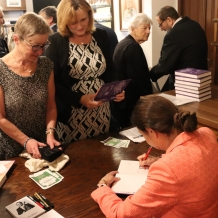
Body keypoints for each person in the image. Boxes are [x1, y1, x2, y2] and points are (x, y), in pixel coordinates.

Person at [91, 95, 218, 217]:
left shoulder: (168, 169)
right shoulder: (206, 133)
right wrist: (160, 159)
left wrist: (102, 187)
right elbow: (194, 163)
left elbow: (121, 214)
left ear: (151, 131)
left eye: (143, 135)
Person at [44, 0, 124, 143]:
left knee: (102, 147)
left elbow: (110, 69)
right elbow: (53, 82)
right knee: (77, 154)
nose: (80, 26)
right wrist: (79, 99)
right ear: (64, 20)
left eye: (83, 19)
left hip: (101, 108)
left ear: (90, 16)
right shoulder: (56, 41)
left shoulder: (100, 35)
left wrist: (116, 89)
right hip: (72, 109)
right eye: (73, 22)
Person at [0, 12, 60, 160]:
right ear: (16, 39)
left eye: (44, 45)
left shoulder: (45, 65)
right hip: (11, 147)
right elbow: (0, 118)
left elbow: (51, 106)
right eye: (34, 46)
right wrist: (25, 141)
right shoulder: (1, 69)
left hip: (42, 144)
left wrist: (50, 133)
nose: (40, 52)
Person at [149, 6, 208, 91]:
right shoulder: (195, 25)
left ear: (169, 20)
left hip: (185, 83)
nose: (161, 29)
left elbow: (165, 65)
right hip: (202, 80)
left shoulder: (173, 34)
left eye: (160, 24)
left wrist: (150, 74)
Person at [112, 13, 153, 128]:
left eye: (149, 28)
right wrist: (148, 99)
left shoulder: (125, 43)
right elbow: (137, 79)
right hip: (130, 103)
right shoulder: (132, 47)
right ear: (132, 29)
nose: (148, 31)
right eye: (144, 28)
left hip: (123, 102)